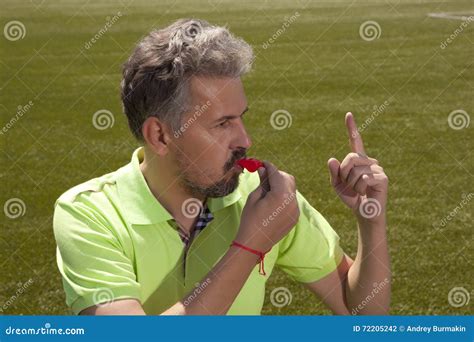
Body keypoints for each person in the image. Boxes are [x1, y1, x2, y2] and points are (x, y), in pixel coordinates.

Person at [53, 18, 390, 315]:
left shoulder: (259, 198)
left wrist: (370, 221)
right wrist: (249, 246)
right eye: (222, 124)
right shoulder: (88, 214)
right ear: (160, 135)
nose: (245, 139)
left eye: (242, 118)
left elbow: (361, 311)